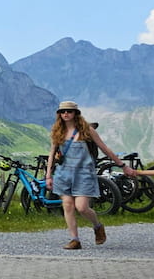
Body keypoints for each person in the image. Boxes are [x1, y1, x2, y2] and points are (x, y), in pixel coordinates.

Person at [45, 101, 126, 250]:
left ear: (76, 113)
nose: (66, 114)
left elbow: (105, 149)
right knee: (68, 205)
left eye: (69, 111)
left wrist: (122, 165)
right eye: (62, 112)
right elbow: (52, 154)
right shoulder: (58, 131)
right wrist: (48, 175)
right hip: (64, 173)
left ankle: (97, 226)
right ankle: (75, 240)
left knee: (82, 207)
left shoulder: (86, 130)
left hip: (84, 173)